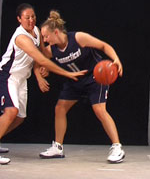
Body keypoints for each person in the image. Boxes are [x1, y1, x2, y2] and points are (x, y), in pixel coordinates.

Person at [0, 3, 87, 165]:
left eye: (33, 16)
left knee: (19, 117)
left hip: (22, 79)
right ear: (19, 19)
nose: (31, 20)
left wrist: (40, 75)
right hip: (7, 76)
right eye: (27, 17)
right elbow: (39, 59)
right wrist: (67, 73)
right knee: (11, 111)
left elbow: (42, 55)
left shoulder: (37, 32)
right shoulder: (21, 37)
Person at [37, 10, 125, 163]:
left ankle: (117, 147)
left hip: (95, 77)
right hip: (75, 81)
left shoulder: (78, 38)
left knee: (99, 109)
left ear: (56, 32)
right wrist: (43, 72)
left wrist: (116, 58)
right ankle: (57, 147)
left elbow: (104, 46)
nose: (44, 40)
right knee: (60, 108)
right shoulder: (52, 50)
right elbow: (40, 62)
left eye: (46, 36)